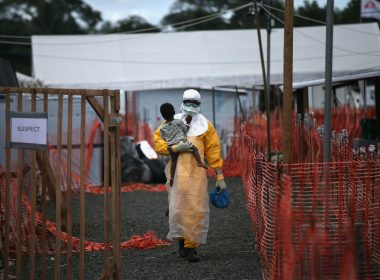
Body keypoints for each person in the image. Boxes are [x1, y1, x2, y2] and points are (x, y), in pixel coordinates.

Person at [154, 89, 227, 263]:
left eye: (195, 103)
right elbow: (158, 143)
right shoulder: (171, 122)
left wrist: (219, 175)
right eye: (189, 102)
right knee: (178, 209)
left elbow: (213, 150)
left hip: (196, 176)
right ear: (183, 101)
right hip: (176, 175)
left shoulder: (205, 126)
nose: (192, 106)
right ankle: (181, 242)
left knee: (195, 209)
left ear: (200, 104)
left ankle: (191, 247)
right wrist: (172, 149)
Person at [159, 102, 208, 187]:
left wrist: (170, 140)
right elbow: (185, 130)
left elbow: (163, 137)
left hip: (172, 147)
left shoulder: (162, 128)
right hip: (182, 143)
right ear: (174, 112)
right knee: (194, 149)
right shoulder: (178, 122)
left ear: (162, 116)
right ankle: (199, 162)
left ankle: (171, 178)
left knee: (173, 162)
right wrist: (188, 122)